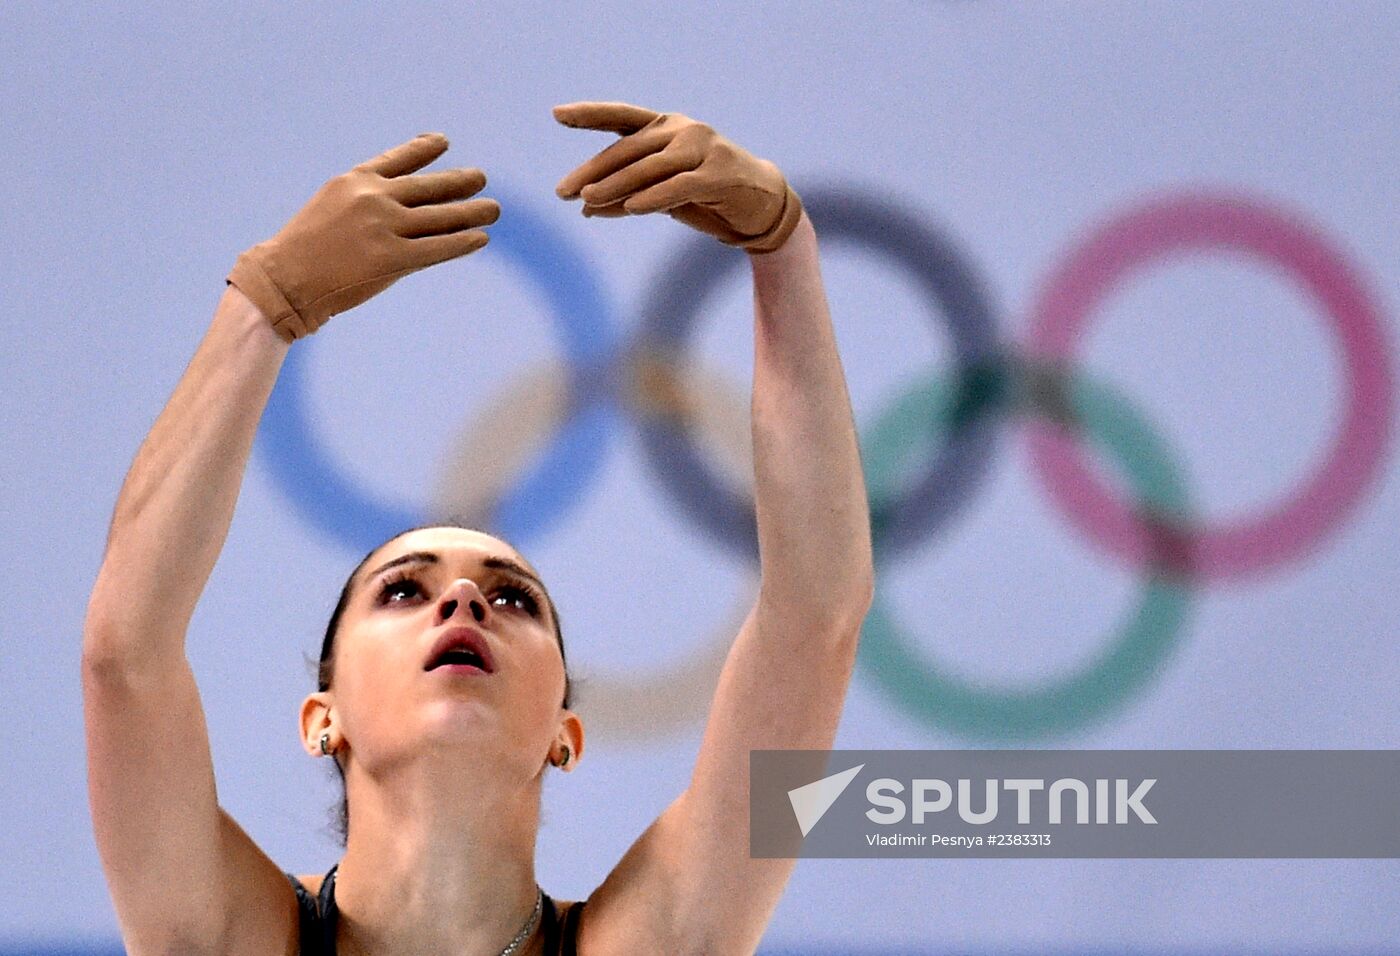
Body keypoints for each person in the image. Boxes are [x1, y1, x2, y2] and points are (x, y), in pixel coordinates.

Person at [82, 101, 874, 955]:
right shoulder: (233, 937)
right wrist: (263, 307)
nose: (463, 599)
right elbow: (124, 656)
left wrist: (785, 248)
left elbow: (816, 620)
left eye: (514, 599)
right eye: (401, 590)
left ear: (565, 735)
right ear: (323, 718)